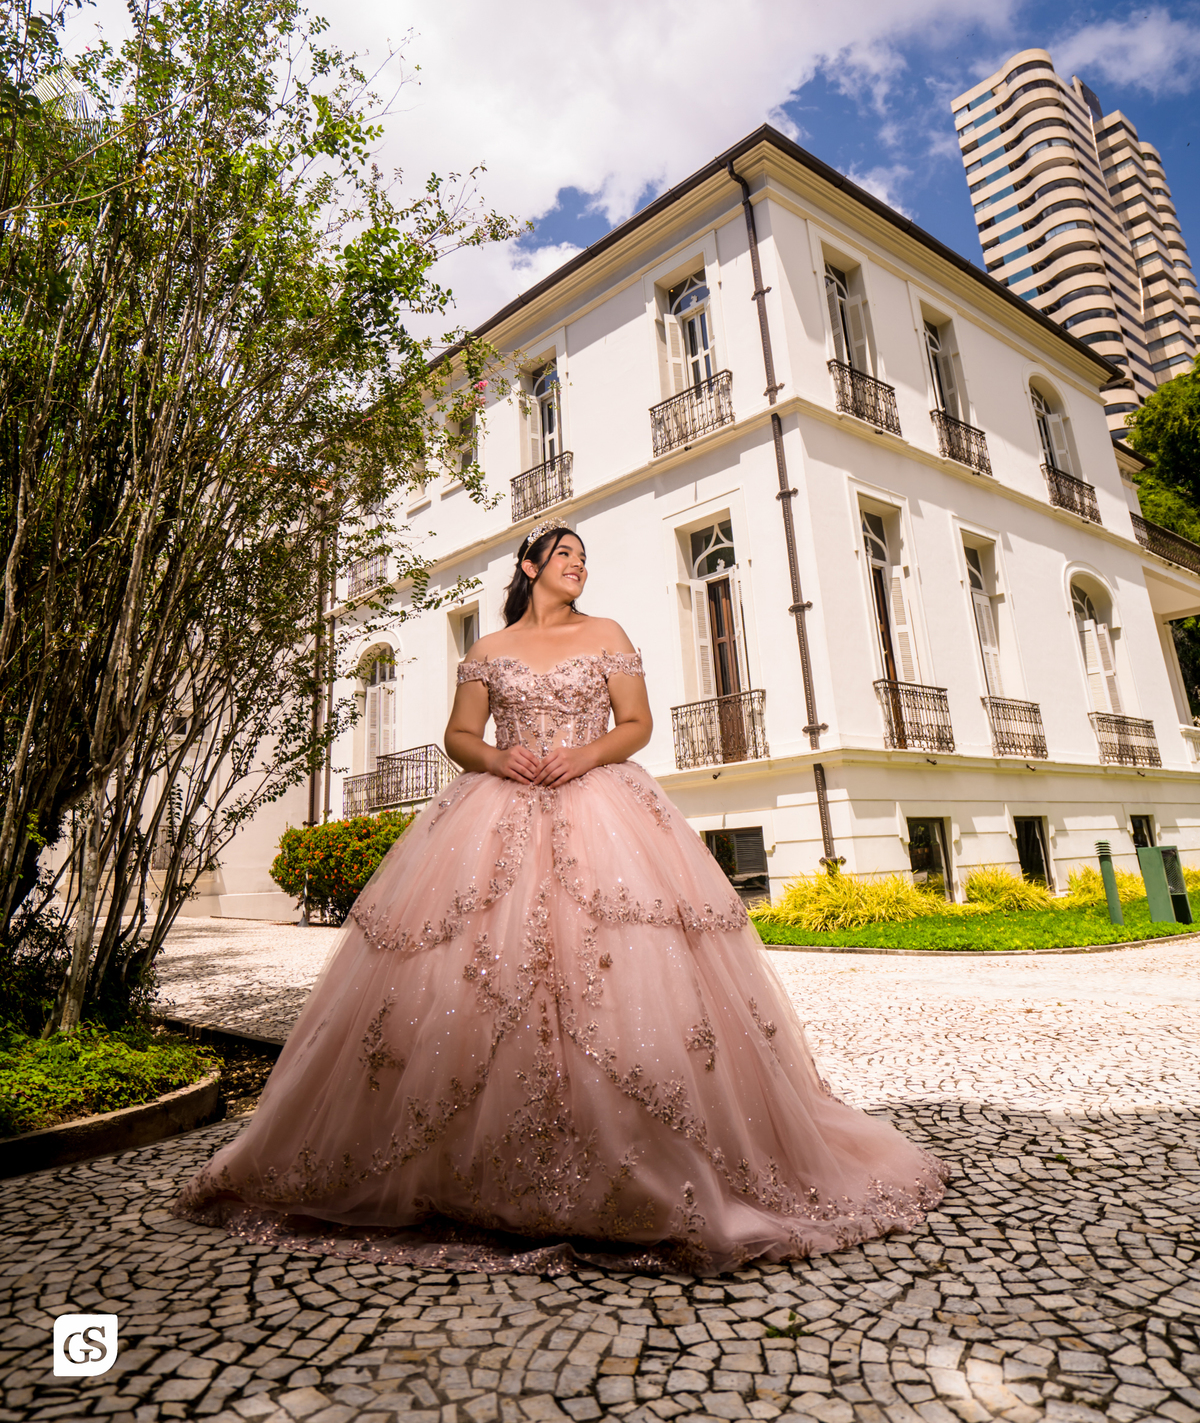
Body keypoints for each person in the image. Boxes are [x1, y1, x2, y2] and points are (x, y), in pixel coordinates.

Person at [173, 521, 945, 1271]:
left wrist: (580, 757)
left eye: (584, 555)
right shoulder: (489, 648)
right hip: (496, 809)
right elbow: (459, 736)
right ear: (530, 565)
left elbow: (635, 723)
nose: (578, 564)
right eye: (564, 554)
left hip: (601, 806)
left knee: (616, 972)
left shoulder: (605, 630)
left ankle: (641, 1167)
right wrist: (502, 761)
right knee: (474, 976)